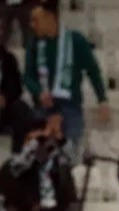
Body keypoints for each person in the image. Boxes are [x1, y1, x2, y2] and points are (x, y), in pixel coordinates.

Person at [24, 0, 109, 155]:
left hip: (71, 107)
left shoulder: (76, 41)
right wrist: (39, 92)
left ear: (50, 17)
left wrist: (102, 99)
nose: (32, 25)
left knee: (69, 154)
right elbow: (28, 76)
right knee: (35, 152)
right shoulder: (34, 44)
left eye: (36, 20)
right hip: (43, 108)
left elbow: (93, 70)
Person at [0, 40, 34, 152]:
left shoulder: (8, 59)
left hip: (4, 108)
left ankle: (18, 154)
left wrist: (5, 97)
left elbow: (16, 88)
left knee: (21, 110)